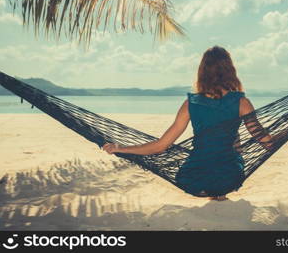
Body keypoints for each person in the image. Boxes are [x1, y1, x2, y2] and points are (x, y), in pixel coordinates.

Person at [103, 46, 275, 201]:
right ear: (230, 71)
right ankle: (219, 194)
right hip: (229, 178)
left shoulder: (190, 104)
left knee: (212, 154)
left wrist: (120, 148)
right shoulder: (242, 102)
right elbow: (263, 139)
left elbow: (161, 146)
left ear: (202, 72)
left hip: (193, 179)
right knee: (231, 150)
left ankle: (212, 192)